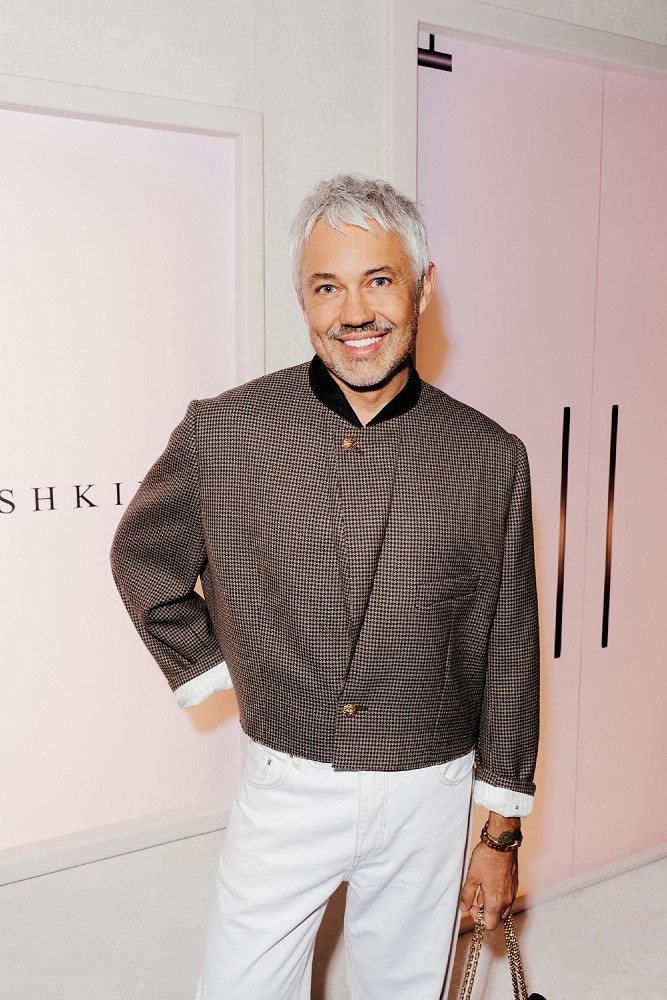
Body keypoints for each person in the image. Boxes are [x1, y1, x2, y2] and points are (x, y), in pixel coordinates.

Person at [110, 174, 539, 1000]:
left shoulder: (490, 456)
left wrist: (500, 830)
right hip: (285, 783)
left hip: (431, 790)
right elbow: (144, 558)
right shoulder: (224, 429)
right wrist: (222, 669)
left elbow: (509, 646)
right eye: (326, 286)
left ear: (423, 287)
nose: (354, 312)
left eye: (378, 280)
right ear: (302, 299)